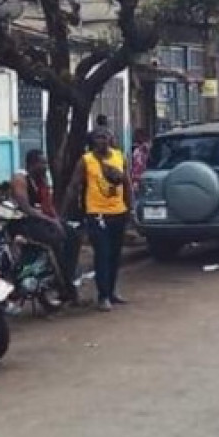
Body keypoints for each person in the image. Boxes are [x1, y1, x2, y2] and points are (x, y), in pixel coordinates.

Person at [69, 130, 133, 312]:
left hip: (118, 212)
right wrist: (65, 211)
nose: (102, 140)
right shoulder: (86, 161)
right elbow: (74, 185)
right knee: (102, 254)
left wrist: (131, 208)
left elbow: (127, 183)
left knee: (115, 255)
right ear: (92, 141)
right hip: (97, 214)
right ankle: (103, 296)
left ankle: (112, 292)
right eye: (98, 137)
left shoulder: (119, 157)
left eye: (105, 137)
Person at [9, 149, 78, 301]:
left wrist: (57, 220)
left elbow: (47, 204)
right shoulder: (20, 178)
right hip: (22, 222)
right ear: (32, 164)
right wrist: (52, 221)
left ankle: (67, 275)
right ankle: (65, 286)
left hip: (40, 220)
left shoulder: (41, 179)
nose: (45, 166)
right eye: (42, 163)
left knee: (73, 235)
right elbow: (25, 208)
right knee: (56, 241)